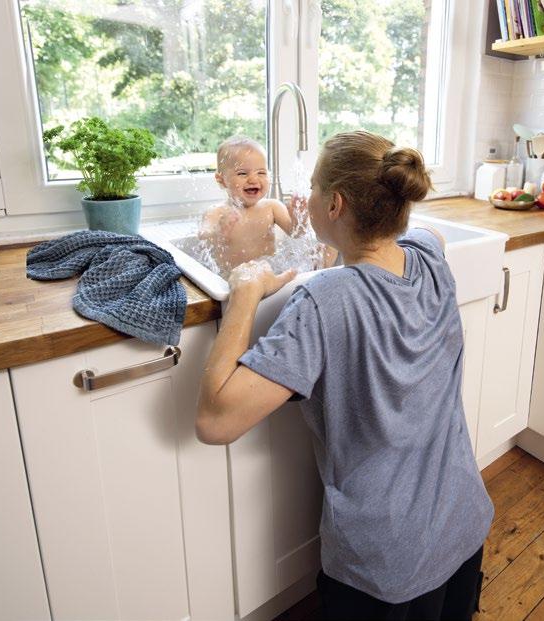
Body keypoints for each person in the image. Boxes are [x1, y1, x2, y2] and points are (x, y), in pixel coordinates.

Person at [196, 131, 494, 621]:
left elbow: (215, 421)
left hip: (387, 565)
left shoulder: (323, 300)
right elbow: (429, 236)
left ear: (334, 204)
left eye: (312, 188)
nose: (305, 198)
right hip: (464, 521)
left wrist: (246, 295)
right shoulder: (428, 257)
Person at [198, 136, 295, 274]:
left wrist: (298, 218)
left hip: (269, 277)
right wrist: (219, 232)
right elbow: (203, 237)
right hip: (232, 280)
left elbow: (295, 233)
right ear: (221, 180)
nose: (253, 179)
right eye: (242, 173)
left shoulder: (272, 207)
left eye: (261, 172)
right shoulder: (216, 212)